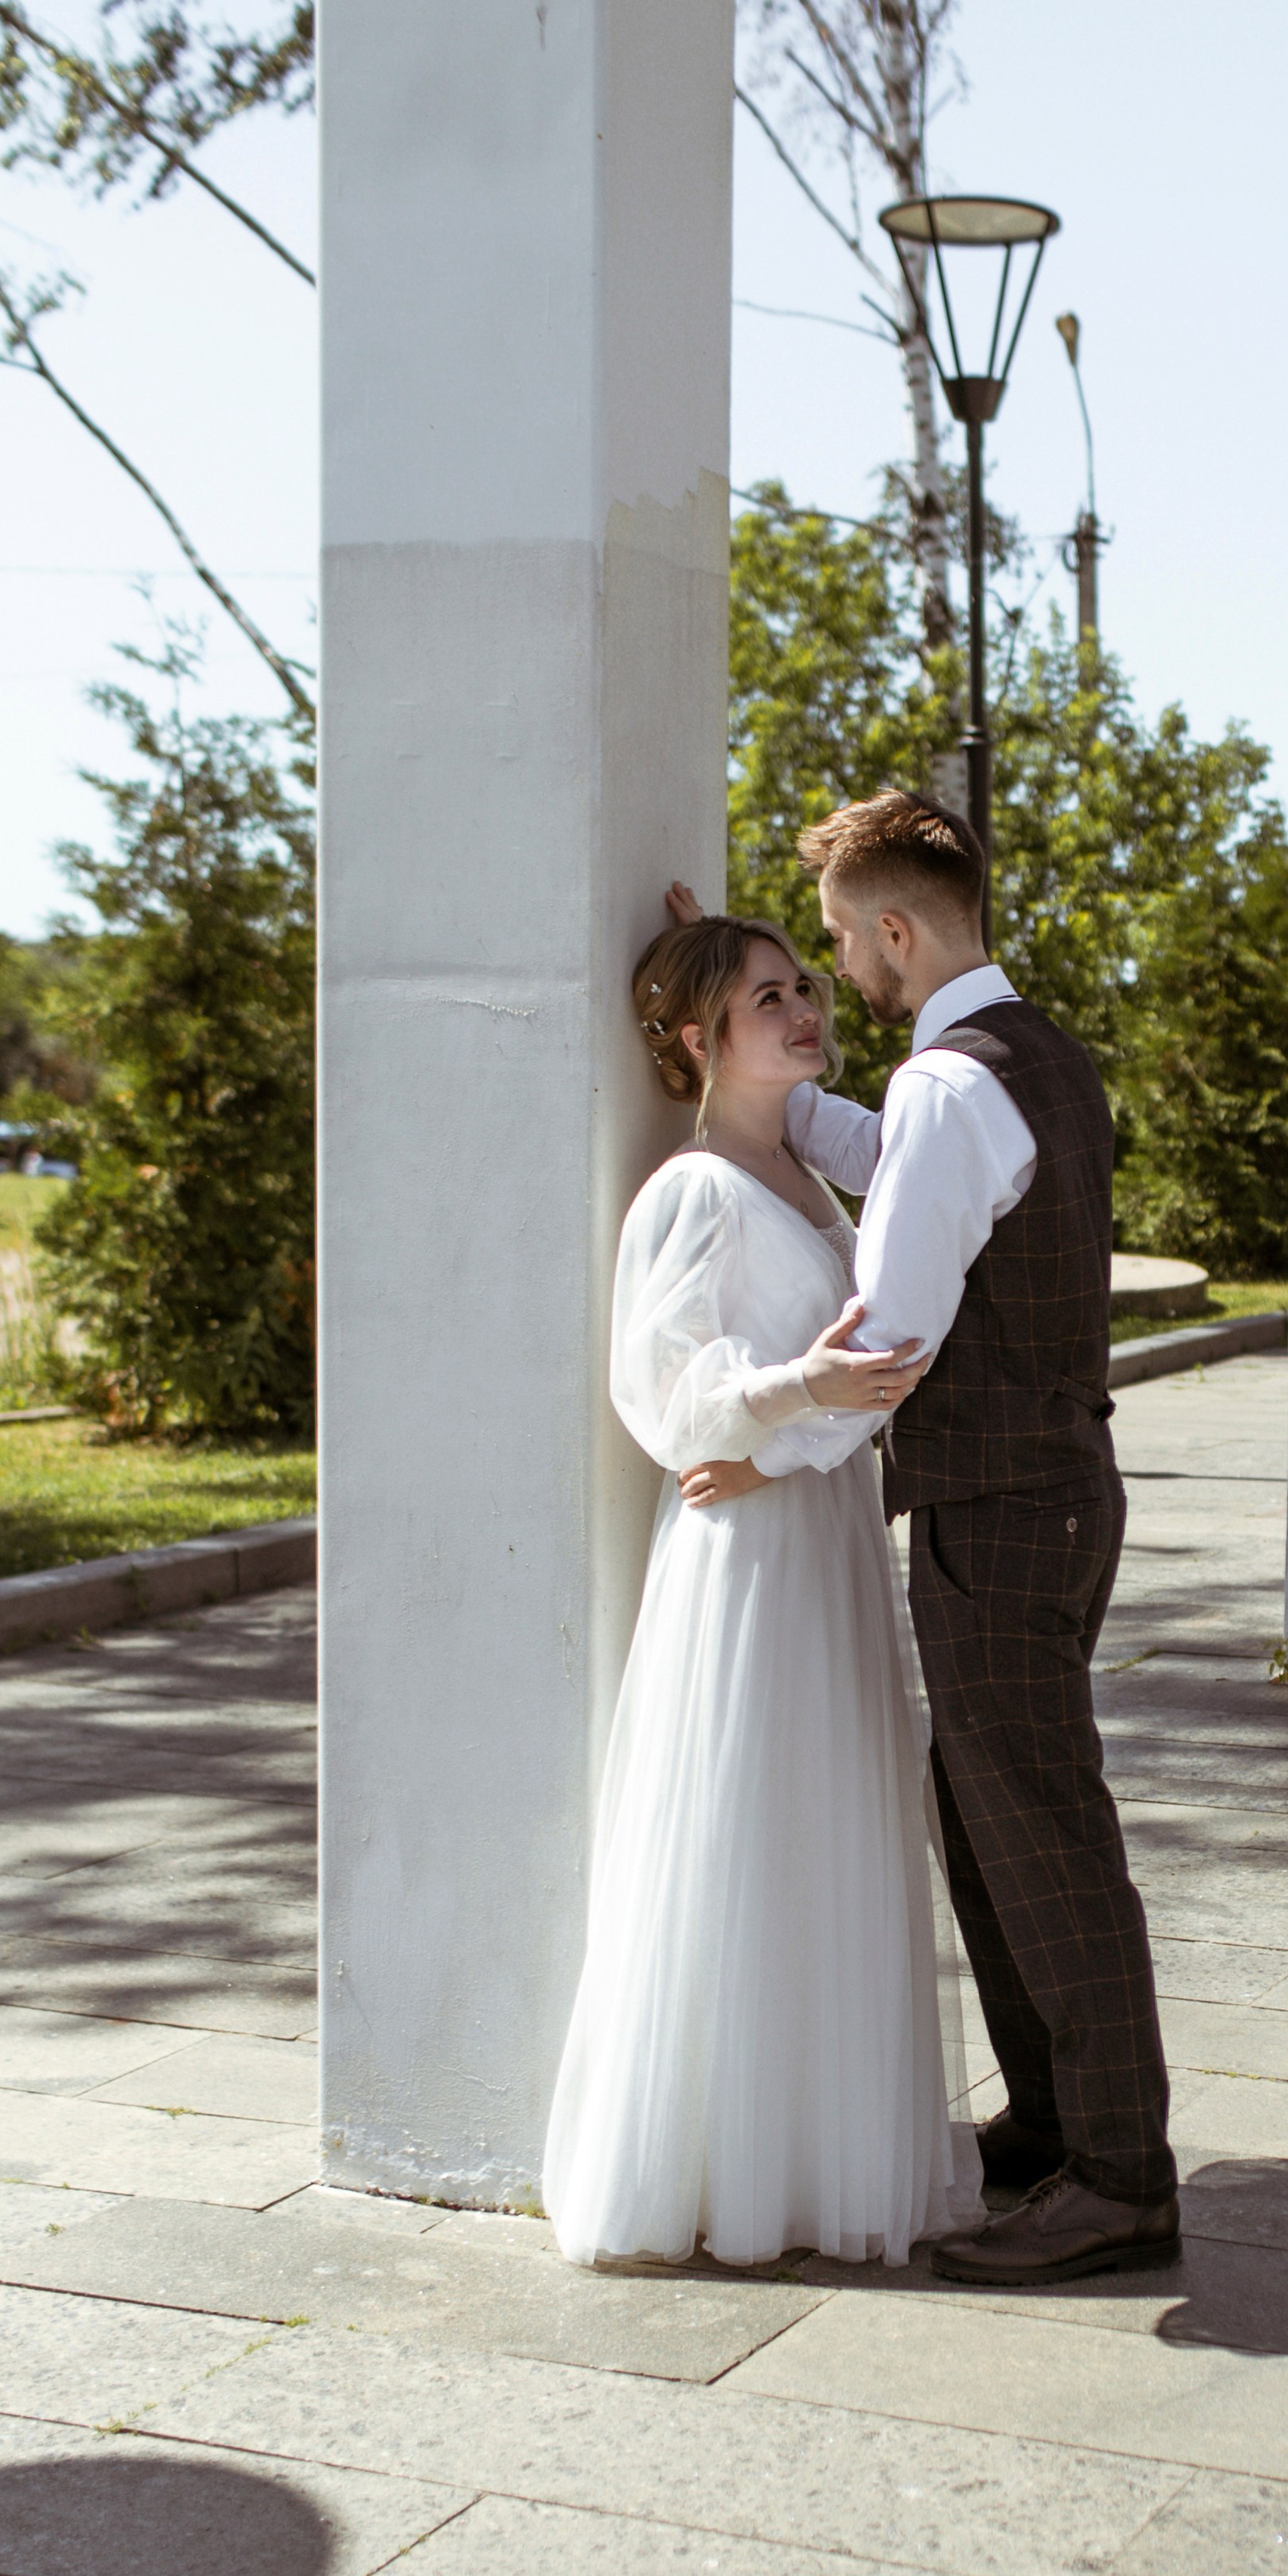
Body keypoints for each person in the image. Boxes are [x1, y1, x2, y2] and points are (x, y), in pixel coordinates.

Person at [691, 789, 1179, 2288]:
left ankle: (1119, 2177)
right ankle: (1049, 2127)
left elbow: (891, 1336)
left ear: (899, 928)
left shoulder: (954, 1089)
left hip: (1001, 1509)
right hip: (1055, 1491)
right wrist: (733, 1045)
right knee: (986, 1818)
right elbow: (888, 1148)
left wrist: (775, 1449)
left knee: (1037, 1831)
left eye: (841, 943)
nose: (840, 972)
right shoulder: (1021, 1061)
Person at [539, 909, 970, 2270]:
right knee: (745, 1829)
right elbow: (666, 1392)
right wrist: (800, 1393)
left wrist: (813, 1426)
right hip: (747, 1563)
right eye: (764, 1000)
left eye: (801, 986)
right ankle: (712, 2166)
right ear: (695, 1039)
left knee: (830, 1830)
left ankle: (810, 2158)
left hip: (823, 1527)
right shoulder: (692, 1190)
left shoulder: (813, 1181)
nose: (802, 1010)